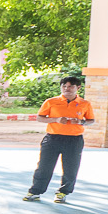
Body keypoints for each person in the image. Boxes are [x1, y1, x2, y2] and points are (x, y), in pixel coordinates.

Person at [24, 74, 94, 202]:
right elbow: (40, 117)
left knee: (70, 168)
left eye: (71, 86)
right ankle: (35, 191)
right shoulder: (51, 101)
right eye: (64, 86)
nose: (67, 89)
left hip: (74, 139)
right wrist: (56, 119)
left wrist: (80, 122)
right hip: (53, 138)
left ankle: (63, 192)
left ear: (78, 87)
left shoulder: (84, 103)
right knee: (44, 166)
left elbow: (91, 120)